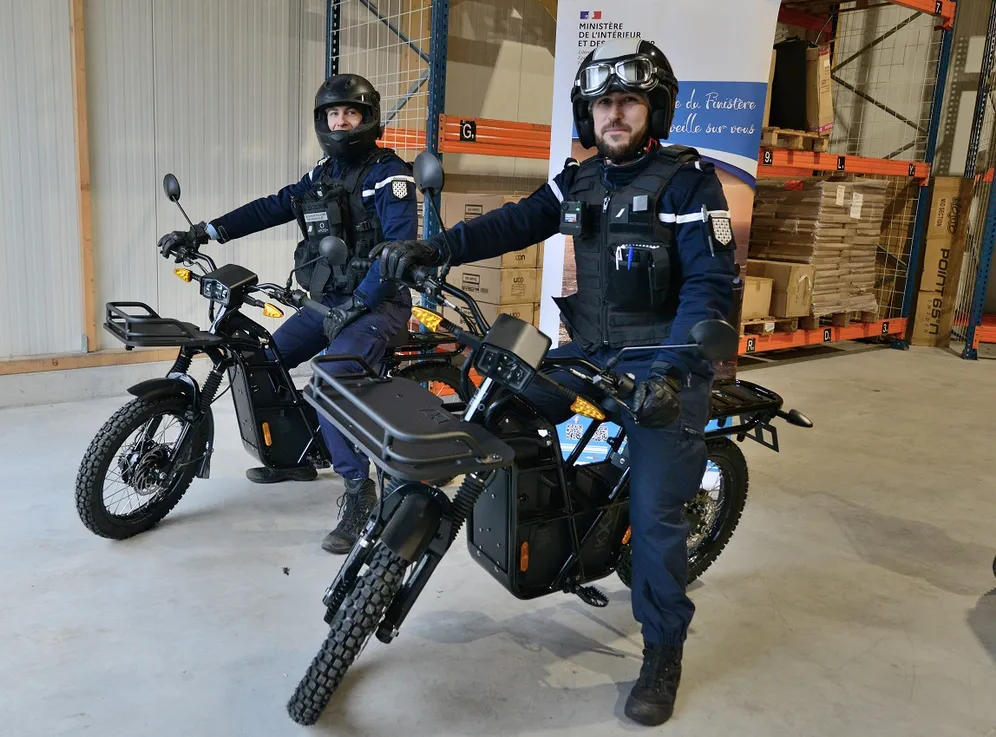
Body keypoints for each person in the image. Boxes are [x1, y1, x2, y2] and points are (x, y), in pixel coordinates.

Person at [370, 40, 736, 726]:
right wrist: (435, 246)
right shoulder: (581, 180)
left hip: (663, 367)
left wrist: (671, 373)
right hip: (588, 351)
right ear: (589, 114)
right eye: (604, 103)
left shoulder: (690, 184)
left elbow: (711, 289)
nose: (615, 114)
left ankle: (662, 650)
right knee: (488, 395)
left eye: (628, 101)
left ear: (652, 108)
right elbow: (516, 221)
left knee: (657, 519)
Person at [156, 74, 418, 555]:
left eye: (350, 113)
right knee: (266, 359)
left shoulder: (390, 175)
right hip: (329, 304)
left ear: (367, 119)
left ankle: (359, 491)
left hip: (379, 304)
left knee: (331, 377)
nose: (341, 121)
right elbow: (272, 207)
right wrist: (204, 232)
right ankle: (293, 456)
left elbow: (398, 250)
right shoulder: (322, 175)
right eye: (333, 114)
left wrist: (362, 302)